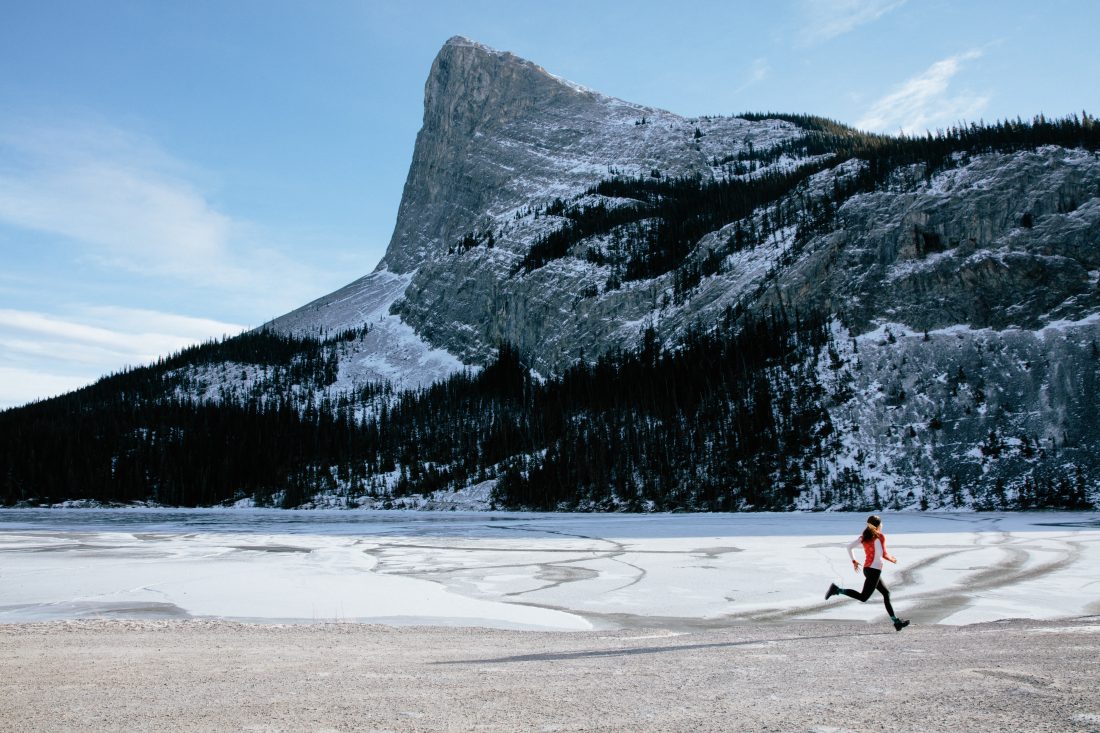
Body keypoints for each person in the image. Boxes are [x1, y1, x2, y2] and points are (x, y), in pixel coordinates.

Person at [825, 514, 910, 631]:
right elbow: (884, 554)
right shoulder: (880, 537)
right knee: (863, 597)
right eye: (881, 524)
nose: (882, 525)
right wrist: (893, 559)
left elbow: (849, 547)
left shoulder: (864, 537)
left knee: (886, 593)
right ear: (878, 526)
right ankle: (837, 590)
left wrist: (854, 561)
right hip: (874, 571)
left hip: (869, 570)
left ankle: (896, 622)